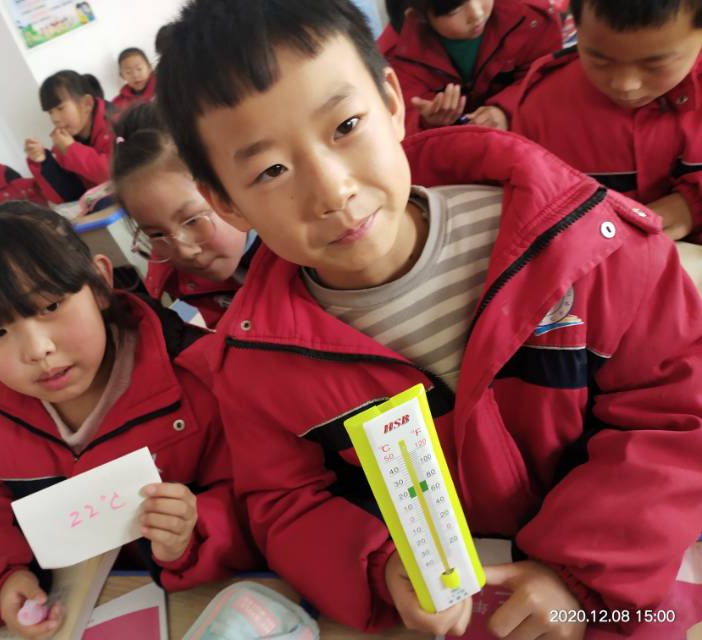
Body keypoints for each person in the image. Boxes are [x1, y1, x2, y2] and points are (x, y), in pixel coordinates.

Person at [156, 0, 702, 636]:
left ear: (393, 103)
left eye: (345, 126)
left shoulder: (577, 243)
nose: (332, 191)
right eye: (271, 170)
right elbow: (285, 503)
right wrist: (381, 565)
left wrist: (575, 575)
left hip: (622, 588)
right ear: (225, 201)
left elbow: (675, 413)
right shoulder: (256, 363)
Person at [0, 203, 258, 636]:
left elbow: (261, 495)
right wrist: (0, 583)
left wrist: (193, 532)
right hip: (83, 610)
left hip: (204, 600)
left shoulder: (195, 378)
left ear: (99, 283)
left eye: (50, 305)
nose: (37, 350)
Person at [513, 0, 702, 245]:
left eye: (656, 65)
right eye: (599, 61)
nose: (625, 85)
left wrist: (691, 206)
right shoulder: (541, 108)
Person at [112, 103, 257, 327]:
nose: (184, 251)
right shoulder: (180, 280)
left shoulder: (301, 250)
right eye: (157, 234)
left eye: (193, 220)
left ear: (231, 186)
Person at [379, 0, 562, 133]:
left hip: (525, 133)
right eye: (455, 10)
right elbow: (395, 120)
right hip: (456, 153)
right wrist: (427, 122)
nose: (477, 14)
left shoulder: (531, 17)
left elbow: (545, 76)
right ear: (418, 17)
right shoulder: (394, 56)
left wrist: (506, 110)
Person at [25, 70, 115, 204]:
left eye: (60, 108)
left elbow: (117, 174)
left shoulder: (118, 123)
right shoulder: (63, 142)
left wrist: (71, 149)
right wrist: (43, 162)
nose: (55, 118)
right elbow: (68, 197)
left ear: (87, 103)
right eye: (50, 112)